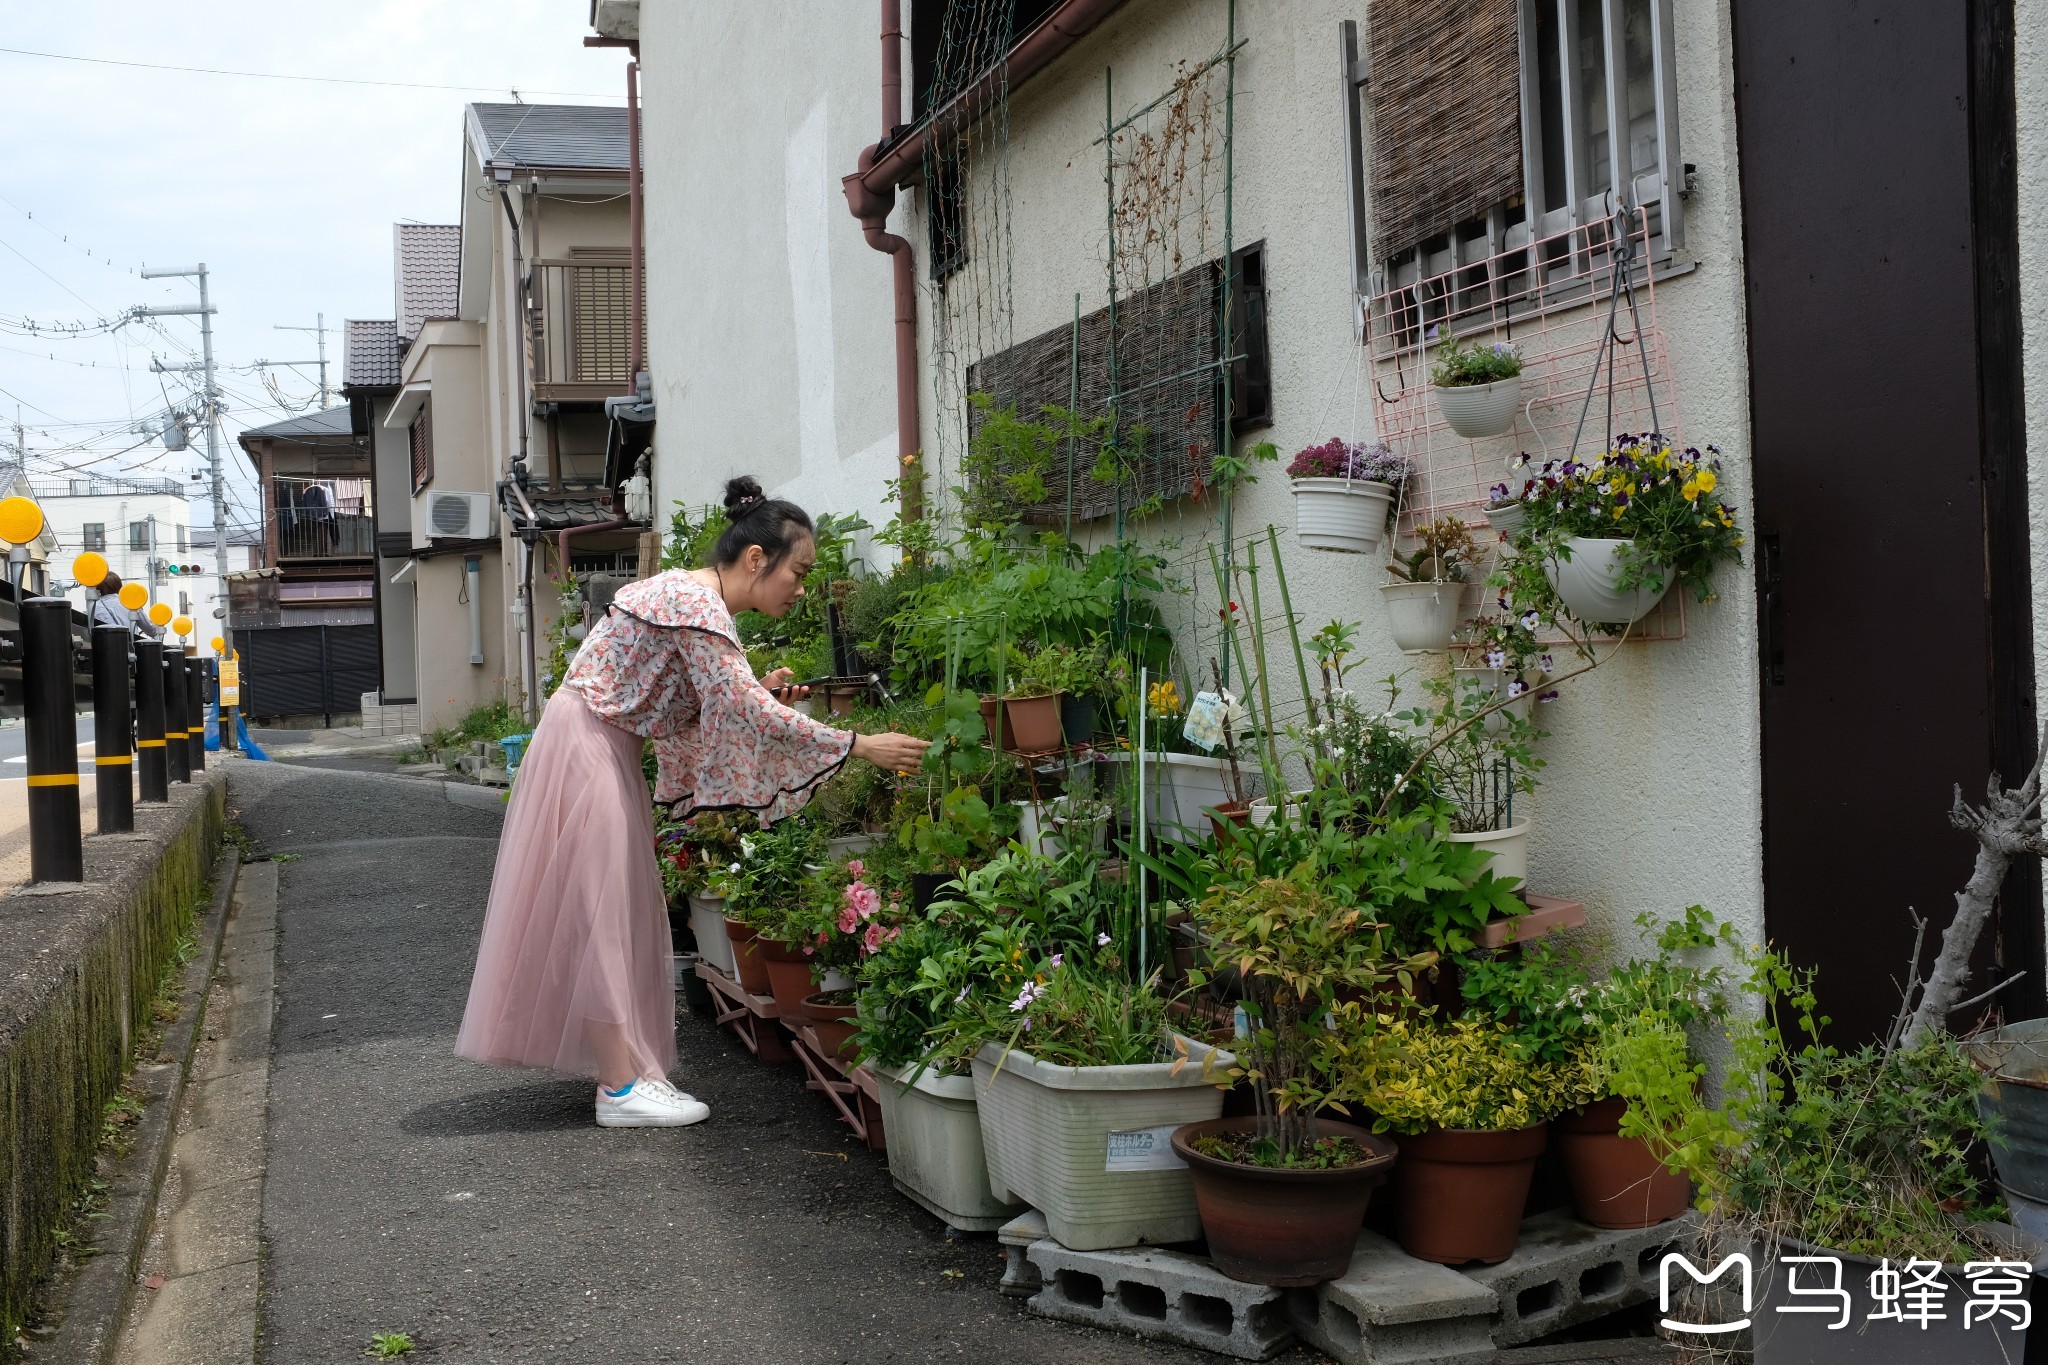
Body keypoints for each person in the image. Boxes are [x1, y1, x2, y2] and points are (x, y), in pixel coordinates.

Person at [454, 477, 928, 1128]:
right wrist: (860, 743)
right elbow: (741, 711)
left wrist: (755, 690)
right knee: (602, 913)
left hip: (595, 742)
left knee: (611, 910)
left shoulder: (693, 602)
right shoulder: (697, 603)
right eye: (799, 569)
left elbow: (701, 706)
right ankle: (620, 1088)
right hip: (588, 743)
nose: (801, 585)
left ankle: (624, 1076)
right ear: (757, 559)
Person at [89, 573, 161, 640]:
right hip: (131, 647)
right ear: (119, 586)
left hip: (106, 647)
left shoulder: (93, 606)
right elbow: (149, 628)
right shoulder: (129, 602)